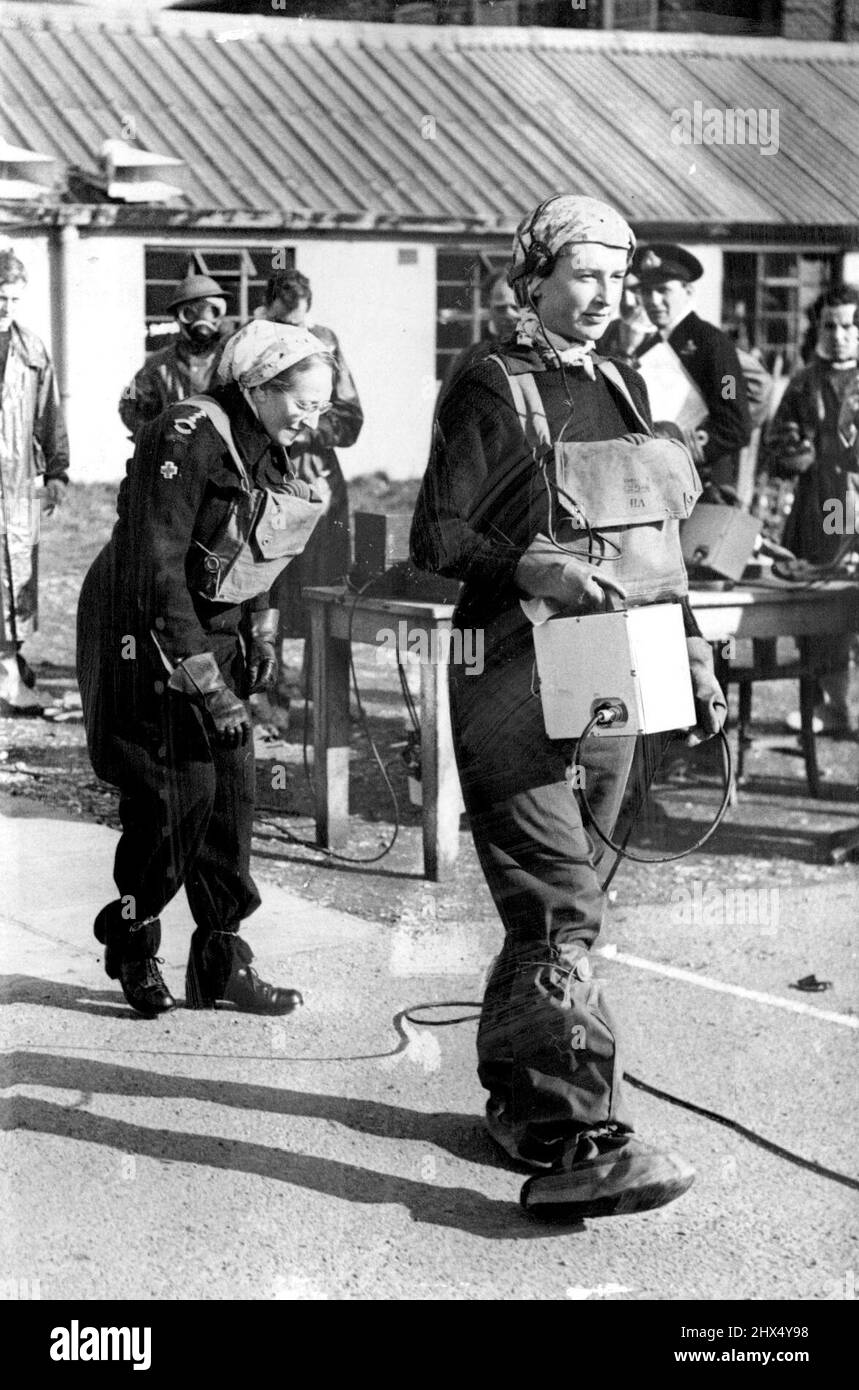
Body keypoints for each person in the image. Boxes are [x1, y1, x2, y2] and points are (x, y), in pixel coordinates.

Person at [410, 194, 726, 1218]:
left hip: (610, 663)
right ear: (534, 276)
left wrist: (692, 651)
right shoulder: (488, 384)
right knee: (557, 904)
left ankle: (519, 1103)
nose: (603, 295)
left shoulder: (622, 384)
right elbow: (440, 537)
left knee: (564, 903)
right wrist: (532, 565)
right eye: (584, 274)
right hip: (505, 665)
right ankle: (576, 1139)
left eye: (616, 276)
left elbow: (651, 545)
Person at [77, 321, 335, 1019]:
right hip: (140, 623)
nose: (311, 423)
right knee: (175, 795)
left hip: (210, 621)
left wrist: (259, 636)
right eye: (303, 405)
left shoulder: (272, 451)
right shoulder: (186, 432)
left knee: (231, 797)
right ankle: (131, 935)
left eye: (320, 409)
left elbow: (263, 552)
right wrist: (205, 682)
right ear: (258, 385)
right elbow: (156, 567)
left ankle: (221, 962)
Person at [262, 269, 363, 702]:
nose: (295, 334)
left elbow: (351, 418)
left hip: (317, 481)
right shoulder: (252, 343)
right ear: (269, 312)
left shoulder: (325, 342)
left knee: (324, 582)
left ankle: (323, 690)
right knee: (267, 585)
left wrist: (306, 427)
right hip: (265, 477)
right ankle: (267, 686)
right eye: (286, 324)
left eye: (301, 324)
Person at [762, 285, 859, 735]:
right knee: (824, 604)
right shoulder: (803, 382)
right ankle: (831, 705)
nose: (840, 335)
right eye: (831, 325)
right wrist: (801, 451)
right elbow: (779, 441)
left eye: (849, 325)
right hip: (822, 503)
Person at [0, 249, 70, 715]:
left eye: (12, 299)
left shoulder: (31, 349)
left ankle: (9, 676)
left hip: (18, 481)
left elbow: (50, 413)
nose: (5, 307)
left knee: (15, 573)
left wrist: (59, 471)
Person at [633, 242, 752, 493]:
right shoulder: (646, 347)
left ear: (687, 290)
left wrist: (684, 446)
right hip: (655, 479)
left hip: (704, 482)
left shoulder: (713, 345)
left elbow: (735, 424)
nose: (653, 301)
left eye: (663, 290)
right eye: (646, 291)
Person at [118, 273, 229, 440]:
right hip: (173, 454)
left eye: (211, 311)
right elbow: (128, 404)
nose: (202, 321)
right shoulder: (156, 365)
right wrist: (156, 437)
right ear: (178, 317)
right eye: (191, 313)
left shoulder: (233, 363)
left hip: (222, 456)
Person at [437, 268, 522, 402]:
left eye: (515, 307)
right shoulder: (468, 359)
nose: (508, 314)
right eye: (500, 308)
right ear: (490, 310)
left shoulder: (546, 357)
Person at [598, 274, 652, 367]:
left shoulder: (654, 332)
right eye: (622, 291)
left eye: (635, 290)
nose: (628, 296)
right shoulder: (607, 326)